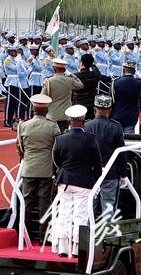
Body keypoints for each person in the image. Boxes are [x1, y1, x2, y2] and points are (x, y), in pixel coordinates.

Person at [51, 104, 102, 257]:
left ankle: (62, 248)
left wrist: (57, 176)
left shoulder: (60, 139)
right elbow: (97, 163)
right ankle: (77, 248)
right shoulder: (90, 139)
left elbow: (55, 161)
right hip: (84, 182)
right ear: (84, 122)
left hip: (65, 181)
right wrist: (97, 181)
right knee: (81, 215)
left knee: (64, 213)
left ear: (69, 121)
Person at [16, 94, 59, 245]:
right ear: (46, 110)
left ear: (33, 109)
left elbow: (20, 148)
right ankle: (44, 237)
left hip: (28, 169)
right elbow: (57, 149)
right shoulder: (53, 126)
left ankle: (23, 236)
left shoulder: (23, 125)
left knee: (26, 204)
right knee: (44, 204)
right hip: (46, 170)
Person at [83, 96, 128, 222]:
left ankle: (87, 233)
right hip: (110, 174)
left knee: (89, 209)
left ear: (94, 110)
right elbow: (121, 154)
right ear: (109, 111)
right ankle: (107, 233)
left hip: (90, 174)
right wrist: (124, 174)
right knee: (108, 209)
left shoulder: (87, 126)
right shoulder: (116, 127)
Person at [41, 58, 84, 132]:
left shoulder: (48, 81)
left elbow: (43, 97)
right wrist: (72, 75)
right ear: (64, 70)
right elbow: (80, 85)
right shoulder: (69, 80)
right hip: (65, 115)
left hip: (52, 115)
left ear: (54, 69)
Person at [111, 60, 141, 134]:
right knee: (130, 137)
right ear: (134, 71)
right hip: (132, 115)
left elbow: (112, 100)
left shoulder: (115, 82)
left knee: (117, 137)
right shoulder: (139, 83)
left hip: (117, 114)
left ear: (123, 70)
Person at [72, 54, 101, 120]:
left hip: (78, 105)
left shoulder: (76, 76)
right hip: (91, 105)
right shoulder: (95, 75)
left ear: (81, 63)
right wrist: (92, 64)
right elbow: (97, 72)